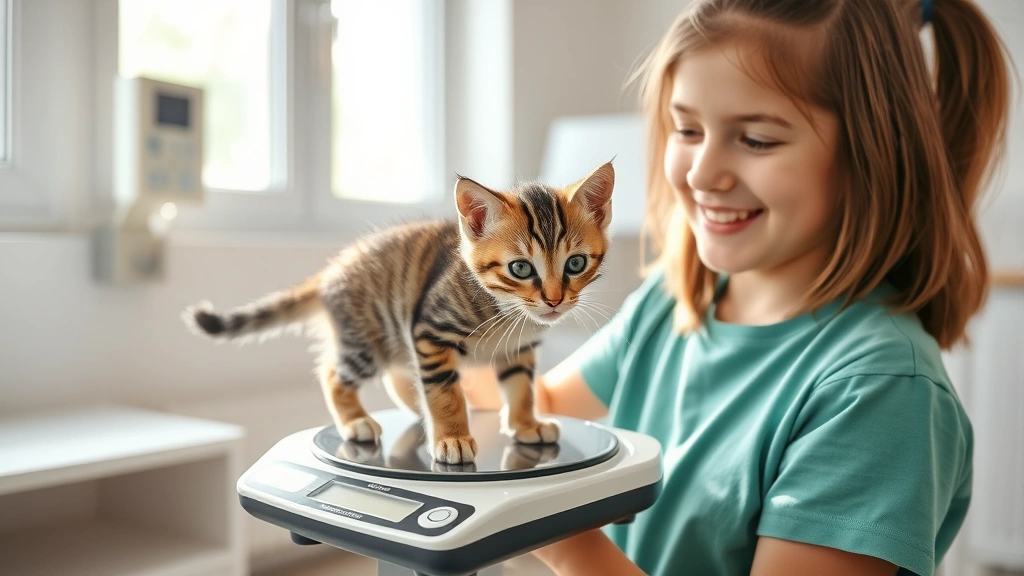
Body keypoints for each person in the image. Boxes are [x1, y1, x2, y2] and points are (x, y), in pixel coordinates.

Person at [462, 0, 1014, 574]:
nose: (701, 173)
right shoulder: (667, 306)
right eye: (687, 129)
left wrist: (556, 530)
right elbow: (534, 410)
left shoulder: (880, 391)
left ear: (870, 154)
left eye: (755, 139)